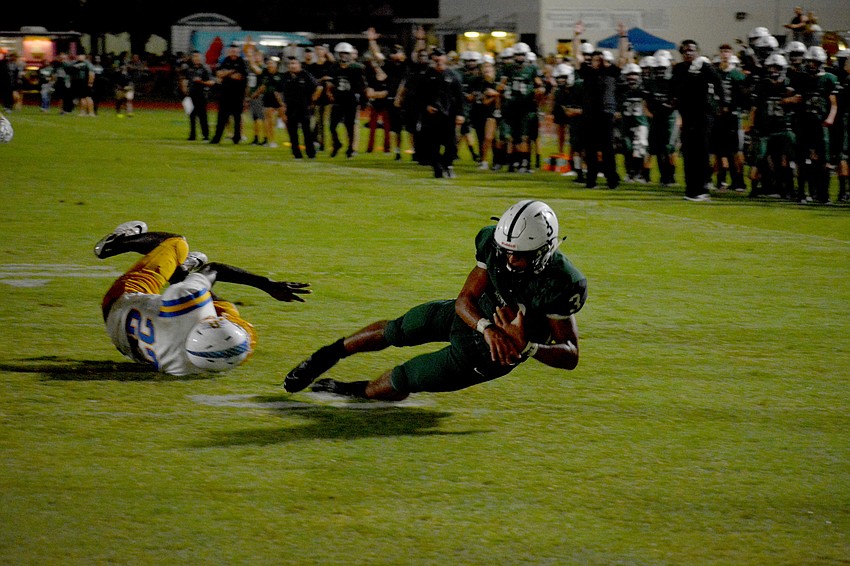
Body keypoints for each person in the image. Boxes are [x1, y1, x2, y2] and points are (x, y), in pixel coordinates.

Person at [283, 199, 587, 401]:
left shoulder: (562, 282)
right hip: (473, 317)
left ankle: (357, 391)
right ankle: (324, 357)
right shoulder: (492, 243)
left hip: (486, 356)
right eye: (505, 251)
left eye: (518, 255)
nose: (508, 260)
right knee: (399, 328)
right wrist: (487, 328)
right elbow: (464, 300)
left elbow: (570, 355)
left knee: (406, 377)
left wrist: (528, 346)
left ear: (543, 251)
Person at [95, 221, 310, 376]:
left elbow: (214, 269)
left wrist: (267, 285)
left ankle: (118, 242)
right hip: (128, 342)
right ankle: (184, 273)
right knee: (228, 312)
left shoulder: (185, 305)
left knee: (176, 244)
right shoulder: (187, 367)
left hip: (120, 302)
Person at [671, 39, 725, 201]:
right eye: (685, 51)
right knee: (688, 152)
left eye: (691, 50)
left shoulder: (704, 66)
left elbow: (718, 84)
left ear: (697, 52)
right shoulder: (679, 68)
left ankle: (702, 189)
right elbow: (673, 88)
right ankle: (690, 189)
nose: (688, 53)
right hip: (687, 115)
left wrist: (720, 105)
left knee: (701, 151)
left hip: (703, 114)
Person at [417, 48, 465, 178]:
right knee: (433, 144)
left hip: (449, 115)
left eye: (441, 57)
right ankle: (437, 167)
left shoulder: (453, 76)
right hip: (431, 116)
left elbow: (459, 97)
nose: (438, 60)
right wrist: (426, 106)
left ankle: (447, 164)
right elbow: (418, 96)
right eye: (436, 57)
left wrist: (461, 113)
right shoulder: (426, 76)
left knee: (452, 144)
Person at [280, 56, 322, 159]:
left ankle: (311, 153)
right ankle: (296, 154)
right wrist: (282, 104)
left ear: (299, 65)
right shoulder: (286, 76)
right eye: (290, 64)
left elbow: (319, 87)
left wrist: (312, 101)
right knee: (292, 132)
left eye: (294, 63)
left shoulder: (305, 75)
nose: (292, 66)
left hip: (303, 107)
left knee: (306, 131)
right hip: (290, 108)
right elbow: (278, 90)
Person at [210, 44, 248, 145]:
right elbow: (219, 74)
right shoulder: (225, 61)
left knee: (237, 117)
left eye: (235, 51)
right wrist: (231, 72)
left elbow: (239, 76)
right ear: (228, 52)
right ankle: (217, 138)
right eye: (232, 51)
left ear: (239, 52)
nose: (233, 53)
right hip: (225, 94)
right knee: (221, 117)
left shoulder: (242, 62)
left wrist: (226, 73)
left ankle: (237, 138)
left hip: (238, 95)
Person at [182, 50, 215, 140]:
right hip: (191, 95)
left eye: (197, 57)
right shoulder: (189, 68)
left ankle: (206, 135)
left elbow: (212, 82)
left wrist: (201, 82)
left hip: (201, 95)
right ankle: (192, 135)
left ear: (201, 58)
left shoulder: (205, 68)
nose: (196, 58)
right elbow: (185, 79)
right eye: (194, 57)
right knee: (191, 115)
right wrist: (184, 87)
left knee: (202, 115)